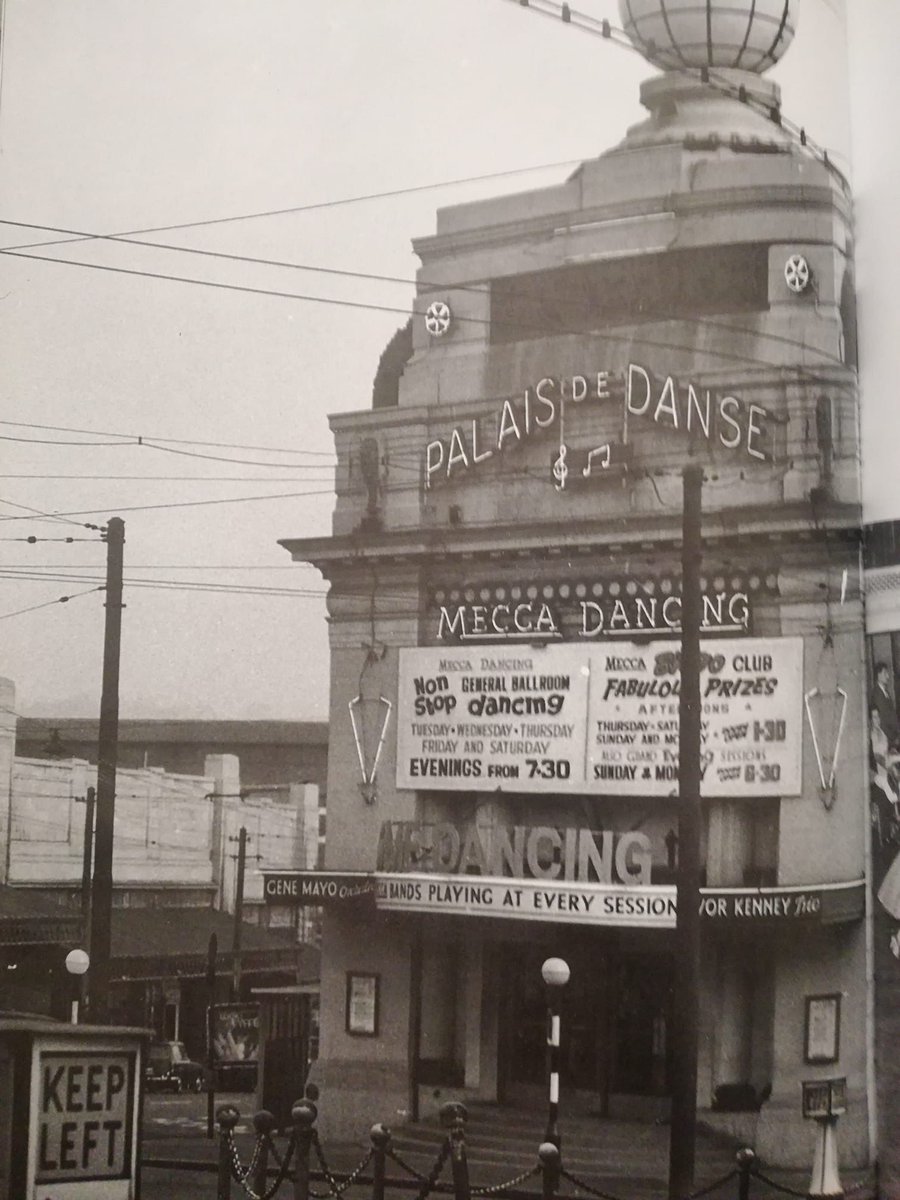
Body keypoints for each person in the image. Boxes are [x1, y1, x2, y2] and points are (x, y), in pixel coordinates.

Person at [872, 663, 900, 749]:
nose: (888, 677)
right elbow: (882, 720)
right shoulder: (877, 693)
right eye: (885, 673)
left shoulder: (885, 692)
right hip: (888, 739)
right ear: (879, 675)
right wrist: (894, 738)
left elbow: (891, 715)